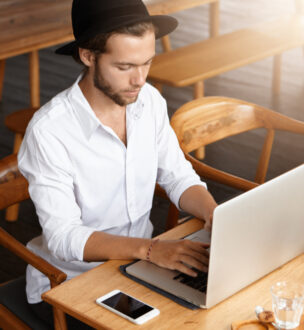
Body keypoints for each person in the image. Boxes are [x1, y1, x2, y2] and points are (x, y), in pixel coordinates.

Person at [17, 0, 217, 327]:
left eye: (147, 63)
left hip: (140, 264)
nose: (139, 79)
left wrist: (212, 214)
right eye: (124, 67)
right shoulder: (50, 131)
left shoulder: (148, 100)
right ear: (88, 56)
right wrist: (152, 250)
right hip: (72, 283)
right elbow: (63, 237)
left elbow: (178, 176)